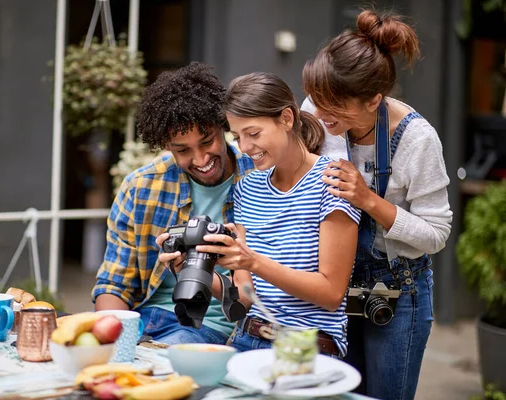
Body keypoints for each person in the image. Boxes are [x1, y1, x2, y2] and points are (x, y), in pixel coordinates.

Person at [301, 10, 452, 400]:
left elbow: (436, 234)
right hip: (333, 283)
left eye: (332, 107)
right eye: (316, 100)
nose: (317, 115)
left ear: (374, 100)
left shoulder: (417, 139)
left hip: (398, 290)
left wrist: (366, 198)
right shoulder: (317, 111)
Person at [166, 72, 361, 358]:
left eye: (253, 134)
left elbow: (331, 294)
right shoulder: (249, 187)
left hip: (306, 347)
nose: (244, 147)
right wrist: (192, 269)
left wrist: (253, 261)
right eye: (237, 137)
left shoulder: (333, 179)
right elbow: (245, 296)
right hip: (246, 337)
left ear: (286, 119)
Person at [92, 62, 254, 345]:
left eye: (207, 142)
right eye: (183, 150)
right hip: (142, 319)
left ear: (222, 126)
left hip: (208, 328)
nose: (201, 159)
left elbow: (254, 294)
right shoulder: (142, 187)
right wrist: (114, 339)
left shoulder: (259, 180)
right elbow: (115, 284)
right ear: (167, 145)